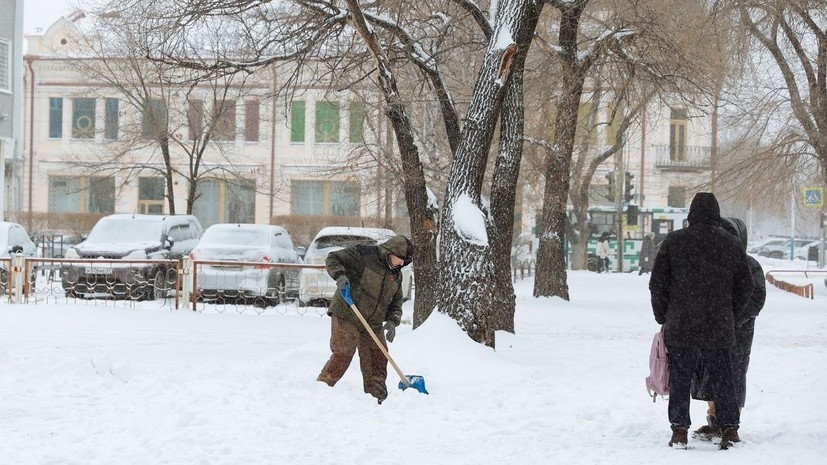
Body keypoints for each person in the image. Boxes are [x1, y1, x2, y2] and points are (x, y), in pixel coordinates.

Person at [648, 193, 753, 450]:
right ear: (716, 214)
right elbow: (746, 287)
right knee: (723, 377)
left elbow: (657, 284)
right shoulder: (730, 244)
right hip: (719, 324)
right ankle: (729, 428)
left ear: (691, 214)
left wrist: (663, 314)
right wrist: (733, 316)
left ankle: (679, 430)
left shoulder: (674, 242)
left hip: (682, 323)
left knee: (680, 378)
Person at [691, 217, 766, 439]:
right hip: (712, 329)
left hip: (738, 332)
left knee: (734, 375)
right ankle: (715, 418)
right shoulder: (710, 262)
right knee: (709, 374)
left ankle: (730, 422)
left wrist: (733, 320)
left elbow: (756, 299)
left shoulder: (750, 265)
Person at [316, 235, 414, 404]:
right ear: (391, 251)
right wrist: (340, 275)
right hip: (348, 312)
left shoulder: (396, 275)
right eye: (401, 259)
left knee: (378, 357)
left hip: (373, 322)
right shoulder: (364, 254)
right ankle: (322, 388)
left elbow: (396, 303)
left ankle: (377, 398)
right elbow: (333, 258)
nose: (401, 263)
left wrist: (392, 321)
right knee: (344, 352)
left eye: (405, 262)